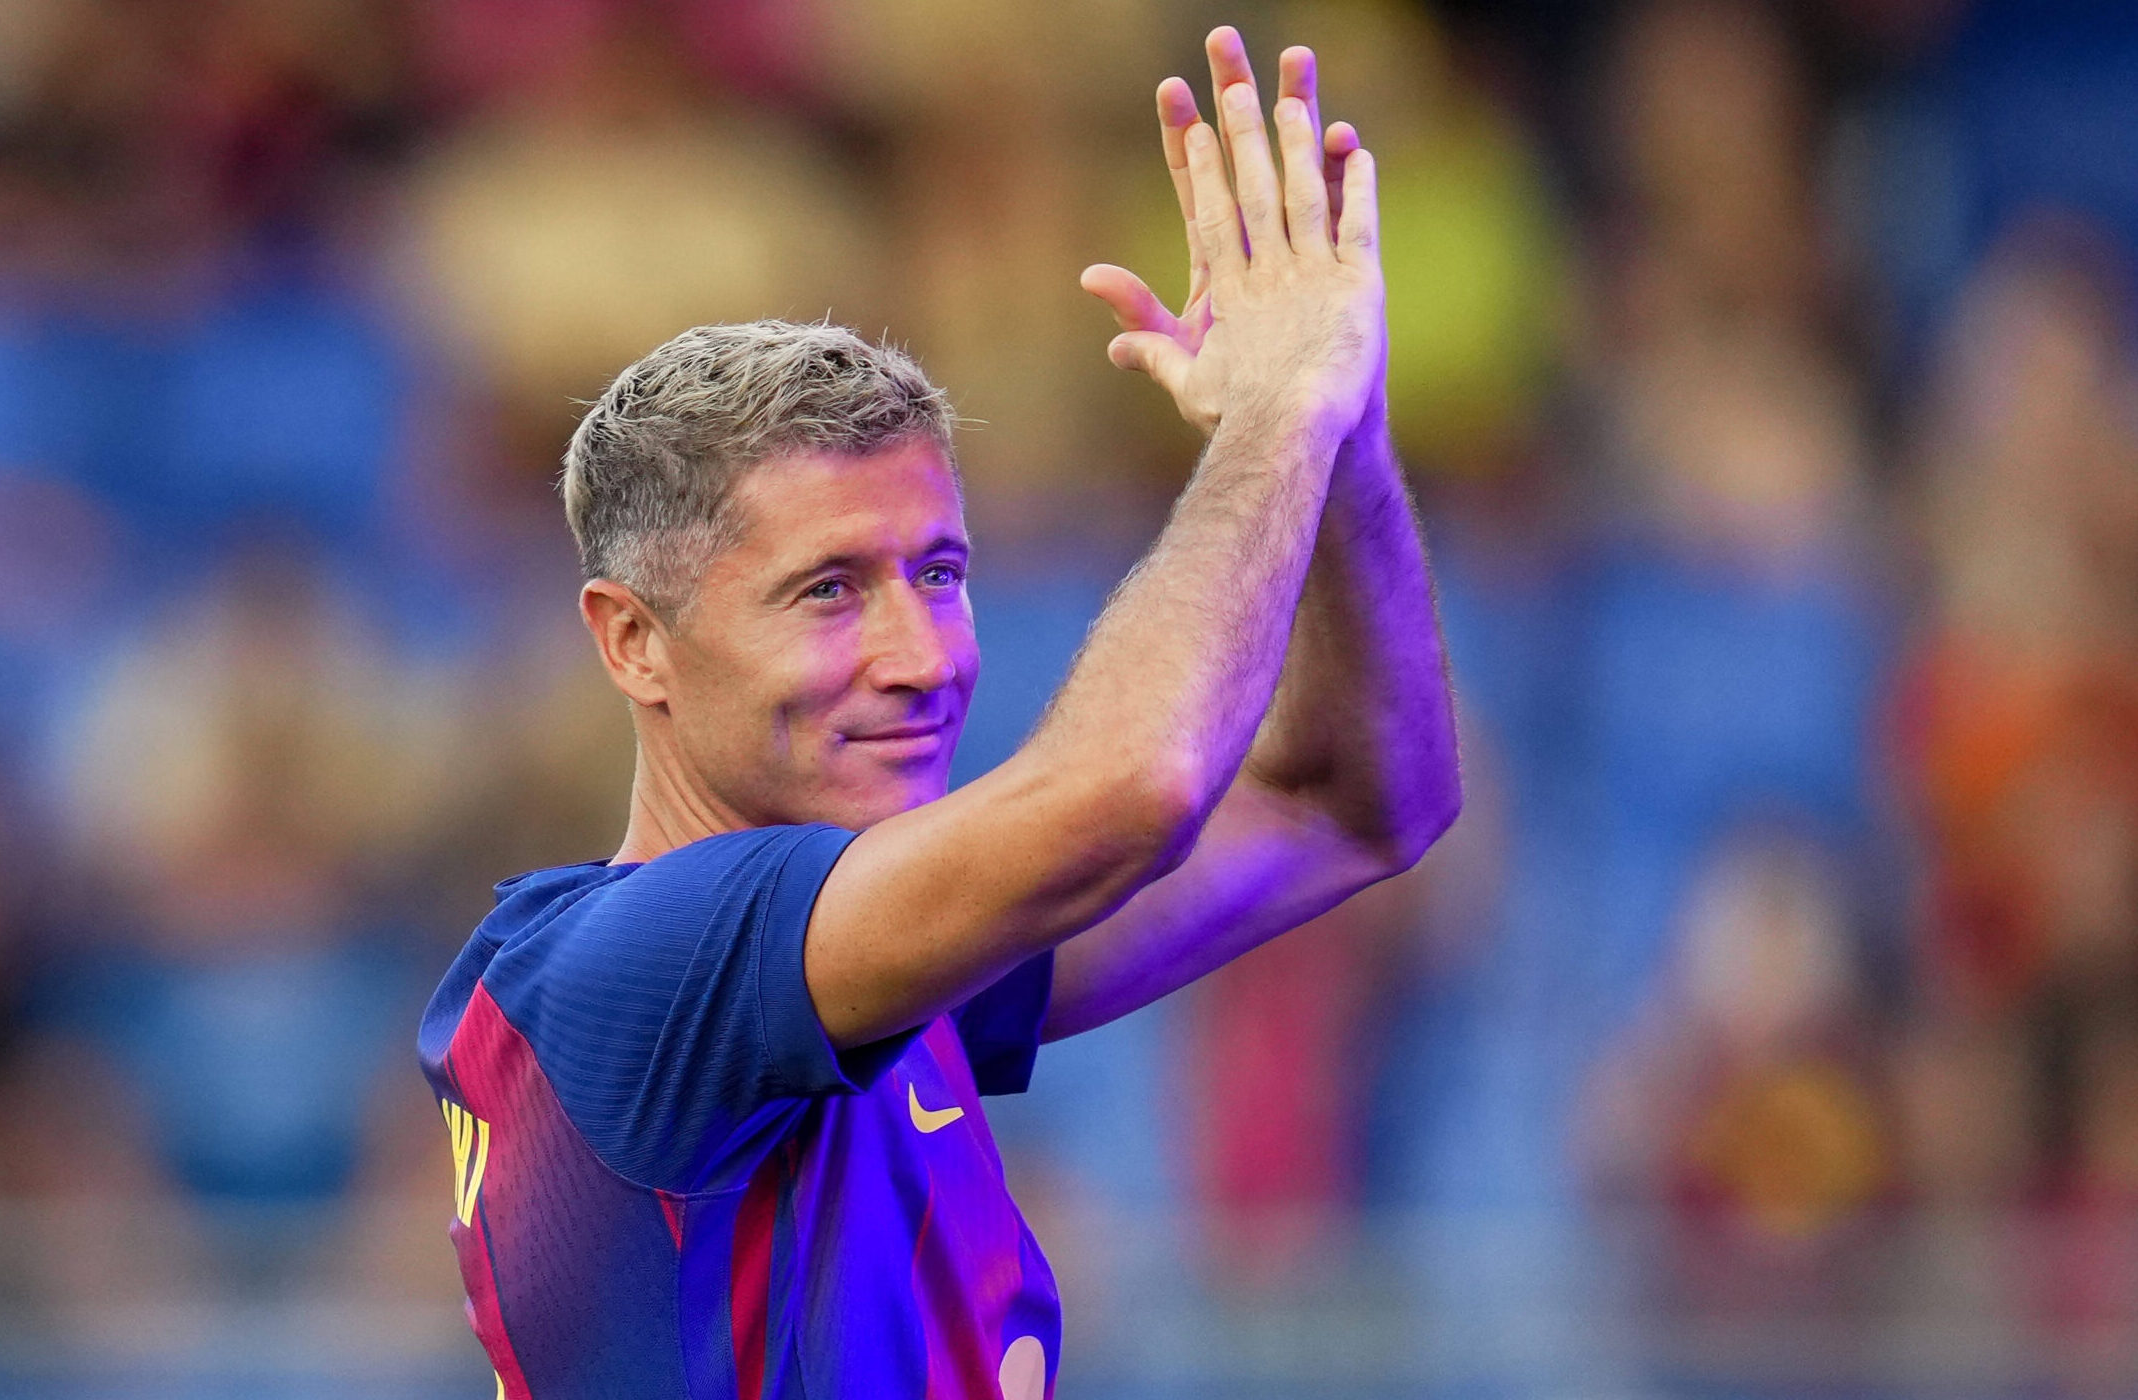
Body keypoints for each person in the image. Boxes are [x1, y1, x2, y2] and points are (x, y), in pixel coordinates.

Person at [417, 26, 1459, 1399]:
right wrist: (1270, 423)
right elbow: (1136, 786)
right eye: (829, 591)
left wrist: (1342, 426)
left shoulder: (876, 980)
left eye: (942, 573)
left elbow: (1357, 800)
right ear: (634, 644)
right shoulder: (634, 972)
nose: (923, 656)